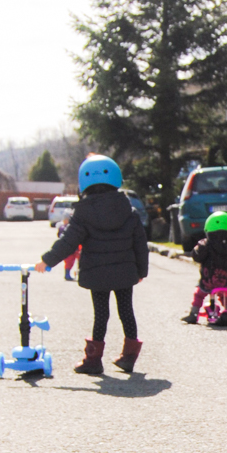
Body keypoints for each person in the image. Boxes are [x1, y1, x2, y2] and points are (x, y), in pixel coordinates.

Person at [37, 154, 148, 374]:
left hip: (97, 274)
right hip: (125, 271)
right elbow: (140, 244)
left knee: (101, 314)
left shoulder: (83, 212)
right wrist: (141, 271)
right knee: (126, 311)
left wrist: (47, 260)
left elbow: (68, 242)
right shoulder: (129, 210)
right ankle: (128, 357)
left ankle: (93, 360)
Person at [180, 211, 227, 324]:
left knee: (199, 293)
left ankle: (194, 313)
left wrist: (198, 249)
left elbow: (197, 257)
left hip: (209, 281)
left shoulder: (206, 244)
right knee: (224, 294)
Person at [57, 212, 81, 281]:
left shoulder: (71, 227)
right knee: (69, 262)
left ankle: (79, 273)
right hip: (67, 248)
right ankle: (67, 274)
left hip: (76, 247)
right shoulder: (63, 228)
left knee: (79, 260)